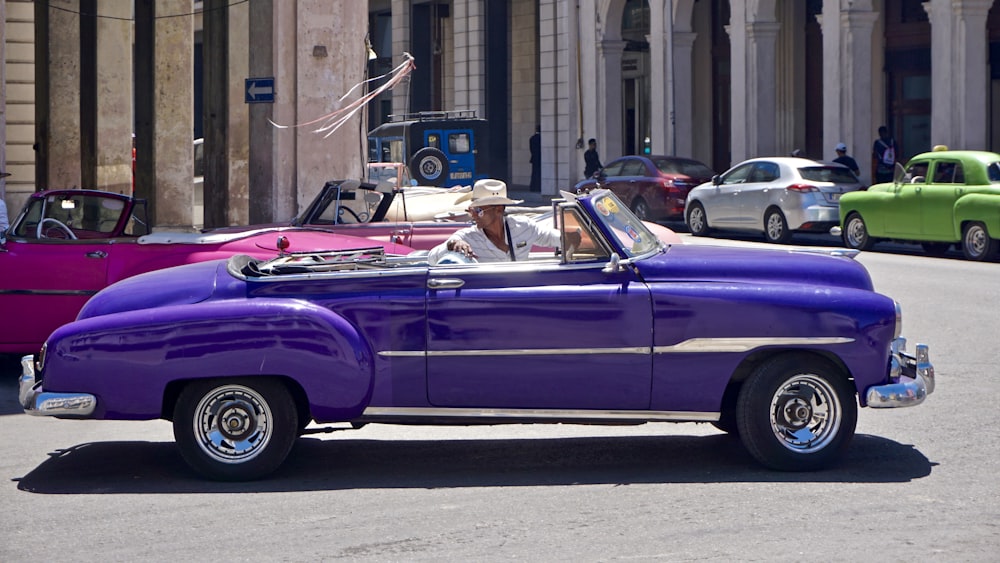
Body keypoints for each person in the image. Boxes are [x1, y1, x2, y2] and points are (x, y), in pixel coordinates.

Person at [427, 178, 579, 264]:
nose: (472, 215)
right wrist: (452, 244)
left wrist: (574, 238)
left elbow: (553, 238)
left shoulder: (523, 226)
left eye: (478, 211)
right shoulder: (467, 237)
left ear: (499, 210)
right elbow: (432, 258)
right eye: (471, 209)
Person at [529, 126, 541, 191]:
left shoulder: (532, 138)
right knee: (539, 173)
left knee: (534, 173)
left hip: (534, 158)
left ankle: (533, 187)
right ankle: (538, 187)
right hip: (539, 158)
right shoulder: (540, 138)